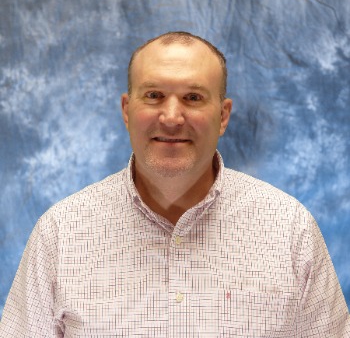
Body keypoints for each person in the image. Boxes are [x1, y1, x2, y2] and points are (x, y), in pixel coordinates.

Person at [0, 31, 349, 337]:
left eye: (193, 97)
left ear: (223, 115)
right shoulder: (60, 232)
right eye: (153, 95)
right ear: (126, 110)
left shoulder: (290, 229)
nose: (170, 117)